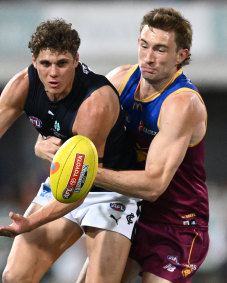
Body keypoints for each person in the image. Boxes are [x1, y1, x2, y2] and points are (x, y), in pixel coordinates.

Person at [0, 19, 140, 283]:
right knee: (15, 276)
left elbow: (82, 186)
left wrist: (31, 222)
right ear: (34, 61)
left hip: (109, 190)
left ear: (76, 60)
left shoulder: (94, 103)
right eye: (45, 64)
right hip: (66, 178)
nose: (53, 73)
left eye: (62, 63)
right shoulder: (24, 84)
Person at [91, 7, 209, 283]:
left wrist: (89, 172)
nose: (148, 57)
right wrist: (49, 139)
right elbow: (80, 120)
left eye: (160, 49)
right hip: (128, 211)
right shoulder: (119, 80)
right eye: (144, 46)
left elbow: (154, 186)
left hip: (177, 224)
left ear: (181, 55)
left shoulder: (182, 103)